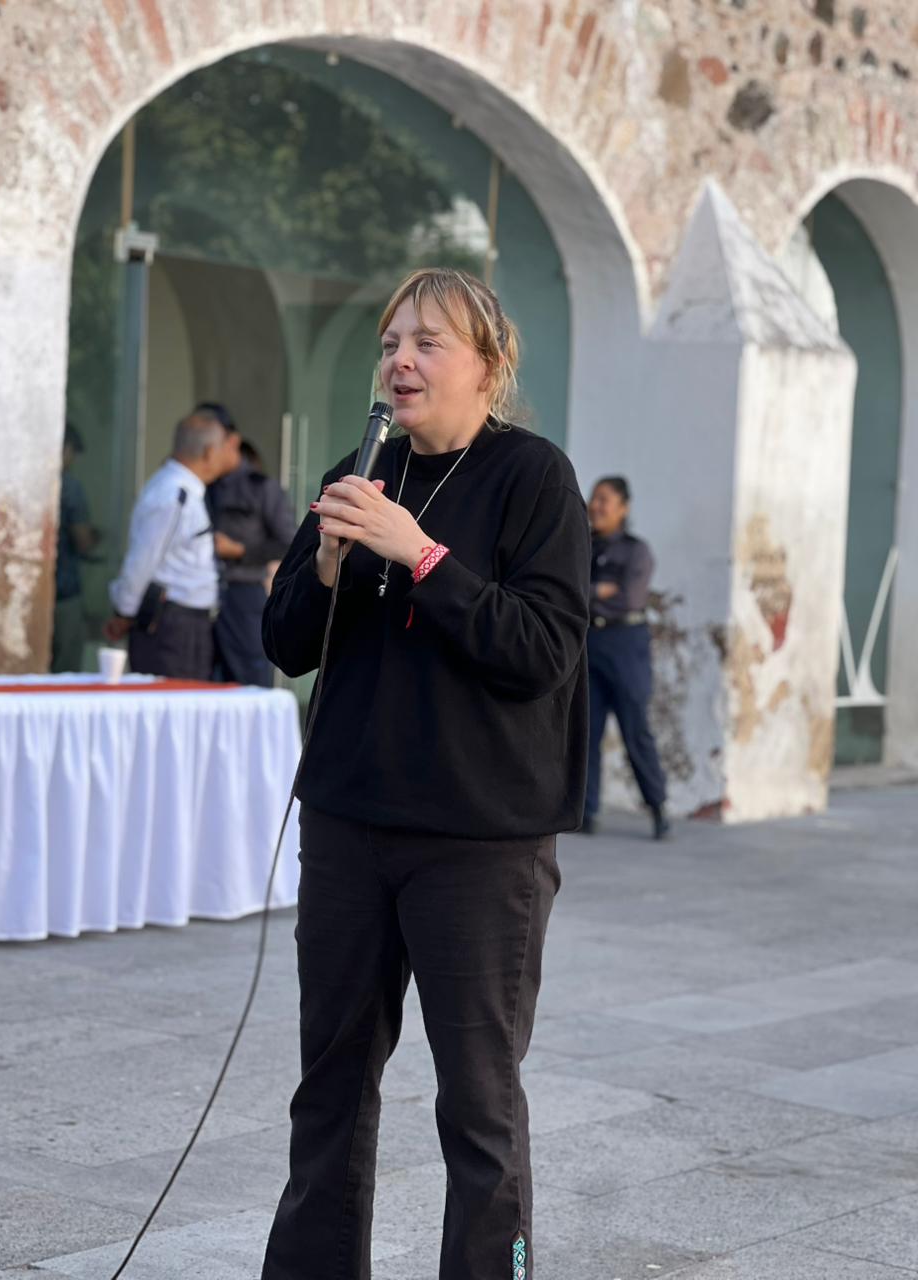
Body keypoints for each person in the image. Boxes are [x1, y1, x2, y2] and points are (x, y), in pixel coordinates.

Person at [259, 268, 591, 1280]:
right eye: (392, 340)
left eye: (428, 342)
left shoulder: (535, 478)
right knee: (330, 1085)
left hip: (479, 844)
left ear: (489, 367)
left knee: (478, 1099)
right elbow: (284, 642)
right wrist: (325, 564)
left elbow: (541, 648)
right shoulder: (361, 470)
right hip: (352, 824)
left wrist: (421, 556)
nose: (400, 359)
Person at [104, 410, 240, 679]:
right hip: (172, 627)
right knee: (173, 710)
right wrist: (124, 612)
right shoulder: (175, 494)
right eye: (225, 447)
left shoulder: (182, 489)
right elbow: (143, 561)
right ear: (210, 452)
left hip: (184, 625)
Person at [583, 475, 669, 839]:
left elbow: (630, 598)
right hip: (589, 642)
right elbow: (561, 589)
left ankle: (658, 808)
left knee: (636, 729)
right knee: (586, 731)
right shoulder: (581, 545)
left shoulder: (636, 551)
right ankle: (585, 813)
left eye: (605, 500)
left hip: (625, 644)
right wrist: (596, 589)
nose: (596, 506)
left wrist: (587, 592)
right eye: (594, 498)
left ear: (623, 508)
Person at [202, 406, 297, 686]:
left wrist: (240, 551)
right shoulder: (200, 485)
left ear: (231, 441)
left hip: (242, 596)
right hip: (199, 598)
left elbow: (289, 544)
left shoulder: (261, 487)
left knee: (249, 684)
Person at [51, 423, 100, 673]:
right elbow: (82, 539)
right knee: (64, 673)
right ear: (66, 448)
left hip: (34, 592)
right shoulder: (69, 487)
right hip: (64, 592)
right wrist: (95, 539)